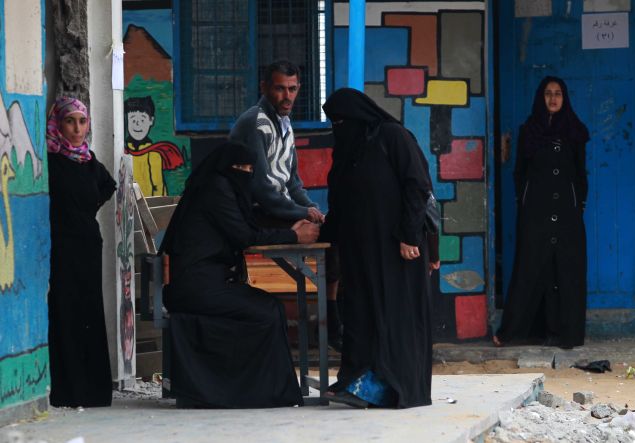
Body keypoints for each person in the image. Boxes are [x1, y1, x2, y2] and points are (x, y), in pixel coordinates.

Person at [158, 141, 320, 408]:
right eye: (239, 167)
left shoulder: (217, 186)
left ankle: (265, 390)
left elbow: (247, 225)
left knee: (270, 307)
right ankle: (258, 391)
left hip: (203, 283)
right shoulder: (216, 188)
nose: (244, 173)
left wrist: (290, 229)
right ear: (224, 167)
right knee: (268, 309)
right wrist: (294, 236)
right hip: (197, 287)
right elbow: (244, 235)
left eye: (249, 168)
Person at [320, 88, 436, 409]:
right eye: (334, 122)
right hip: (360, 253)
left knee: (393, 317)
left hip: (396, 250)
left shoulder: (392, 136)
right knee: (361, 315)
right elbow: (340, 200)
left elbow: (417, 185)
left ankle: (391, 389)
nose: (338, 127)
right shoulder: (348, 149)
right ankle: (356, 384)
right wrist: (322, 234)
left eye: (342, 120)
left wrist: (410, 236)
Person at [229, 60, 343, 350]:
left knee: (334, 229)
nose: (287, 96)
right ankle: (332, 324)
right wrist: (302, 213)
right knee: (327, 234)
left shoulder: (285, 124)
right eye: (280, 89)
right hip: (253, 213)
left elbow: (292, 183)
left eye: (292, 89)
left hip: (276, 211)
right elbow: (261, 189)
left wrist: (313, 210)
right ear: (264, 87)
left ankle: (332, 315)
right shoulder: (256, 123)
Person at [494, 76, 589, 349]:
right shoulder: (529, 131)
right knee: (530, 266)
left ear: (564, 98)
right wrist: (524, 200)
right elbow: (520, 171)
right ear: (540, 97)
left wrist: (578, 203)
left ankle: (567, 334)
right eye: (548, 93)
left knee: (566, 270)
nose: (553, 98)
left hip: (567, 212)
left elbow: (580, 173)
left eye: (558, 93)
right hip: (535, 211)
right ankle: (513, 331)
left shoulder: (574, 130)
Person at [47, 97, 116, 407]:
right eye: (69, 121)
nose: (77, 129)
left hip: (88, 245)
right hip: (61, 246)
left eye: (82, 121)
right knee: (65, 312)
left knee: (89, 311)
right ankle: (67, 390)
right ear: (57, 124)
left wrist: (83, 213)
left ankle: (93, 391)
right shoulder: (50, 162)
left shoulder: (89, 162)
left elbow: (107, 186)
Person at [124, 96, 184, 196]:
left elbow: (158, 186)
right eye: (133, 120)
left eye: (142, 120)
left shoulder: (154, 155)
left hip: (150, 204)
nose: (137, 125)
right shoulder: (125, 153)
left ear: (151, 120)